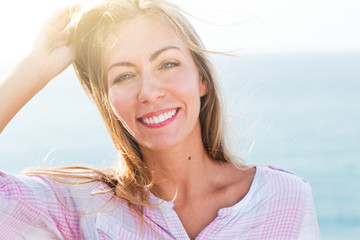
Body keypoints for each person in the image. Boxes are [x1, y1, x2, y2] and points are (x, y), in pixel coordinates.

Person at [0, 0, 321, 239]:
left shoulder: (285, 198)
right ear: (109, 101)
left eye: (167, 64)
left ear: (201, 80)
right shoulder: (80, 208)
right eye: (124, 75)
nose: (150, 91)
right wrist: (35, 69)